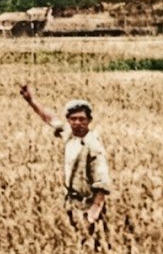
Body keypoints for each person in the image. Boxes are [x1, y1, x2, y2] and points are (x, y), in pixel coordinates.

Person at [19, 85, 112, 245]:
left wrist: (93, 213)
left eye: (82, 119)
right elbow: (50, 119)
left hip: (88, 205)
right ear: (69, 120)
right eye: (73, 119)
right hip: (73, 203)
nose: (77, 123)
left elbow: (102, 184)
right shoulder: (70, 135)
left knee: (92, 247)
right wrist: (31, 101)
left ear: (89, 120)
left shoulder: (93, 147)